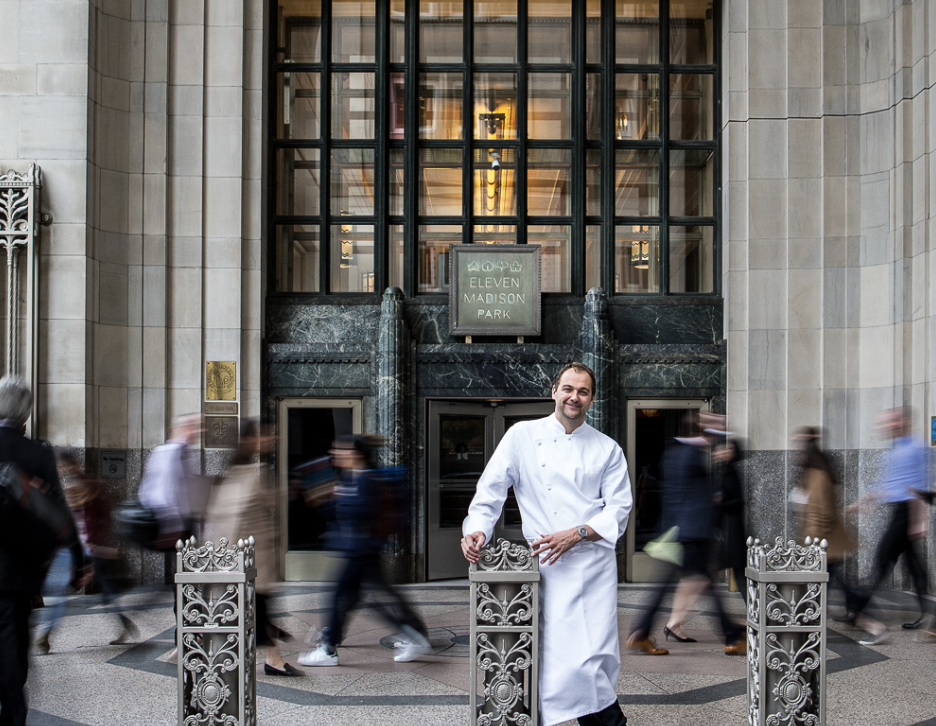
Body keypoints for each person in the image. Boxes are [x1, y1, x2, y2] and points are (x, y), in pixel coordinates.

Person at [461, 362, 633, 726]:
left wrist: (577, 533)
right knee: (547, 657)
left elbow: (619, 510)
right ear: (553, 391)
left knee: (590, 660)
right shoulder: (522, 435)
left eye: (583, 391)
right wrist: (477, 529)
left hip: (591, 569)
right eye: (568, 389)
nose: (575, 397)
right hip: (545, 569)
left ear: (592, 399)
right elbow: (491, 490)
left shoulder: (607, 449)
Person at [300, 435, 430, 667]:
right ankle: (413, 634)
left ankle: (329, 648)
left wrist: (335, 500)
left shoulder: (367, 480)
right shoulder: (351, 478)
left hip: (360, 550)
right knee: (362, 598)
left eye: (341, 449)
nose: (336, 453)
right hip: (358, 549)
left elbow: (364, 513)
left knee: (341, 596)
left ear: (357, 454)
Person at [0, 376, 83, 726]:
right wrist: (79, 559)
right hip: (21, 570)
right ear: (26, 412)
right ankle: (14, 715)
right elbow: (58, 514)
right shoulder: (38, 453)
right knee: (14, 642)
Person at [626, 412, 745, 656]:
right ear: (700, 431)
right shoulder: (693, 455)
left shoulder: (673, 453)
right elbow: (700, 499)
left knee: (672, 585)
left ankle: (641, 631)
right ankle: (731, 636)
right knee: (706, 585)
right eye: (710, 428)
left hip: (679, 530)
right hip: (694, 532)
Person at [204, 420, 302, 676]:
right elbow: (233, 516)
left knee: (259, 607)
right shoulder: (246, 471)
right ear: (250, 440)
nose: (272, 438)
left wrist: (284, 493)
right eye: (266, 435)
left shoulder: (251, 469)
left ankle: (272, 656)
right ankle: (273, 658)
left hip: (259, 555)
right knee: (257, 608)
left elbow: (258, 501)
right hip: (250, 557)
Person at [849, 407, 932, 644]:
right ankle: (930, 618)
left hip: (906, 513)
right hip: (898, 510)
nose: (886, 426)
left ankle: (863, 615)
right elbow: (890, 484)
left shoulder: (915, 446)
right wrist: (864, 502)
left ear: (901, 422)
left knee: (882, 561)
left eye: (891, 422)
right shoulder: (897, 448)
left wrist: (919, 521)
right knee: (915, 567)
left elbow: (918, 487)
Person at [60, 453, 138, 647]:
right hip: (84, 545)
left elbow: (104, 515)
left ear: (74, 465)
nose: (64, 471)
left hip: (97, 546)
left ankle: (123, 623)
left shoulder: (90, 485)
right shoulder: (73, 488)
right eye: (61, 468)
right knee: (63, 585)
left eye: (66, 466)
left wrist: (101, 542)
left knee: (107, 591)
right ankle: (46, 632)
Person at [793, 428, 859, 621]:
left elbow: (822, 511)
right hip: (822, 537)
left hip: (823, 537)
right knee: (832, 576)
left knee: (828, 575)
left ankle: (814, 611)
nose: (796, 456)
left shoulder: (817, 475)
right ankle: (852, 607)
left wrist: (814, 537)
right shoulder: (812, 474)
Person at [138, 414, 206, 550]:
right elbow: (164, 491)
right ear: (185, 429)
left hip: (179, 521)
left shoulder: (178, 451)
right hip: (174, 523)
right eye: (196, 427)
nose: (201, 431)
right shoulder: (173, 453)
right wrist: (173, 527)